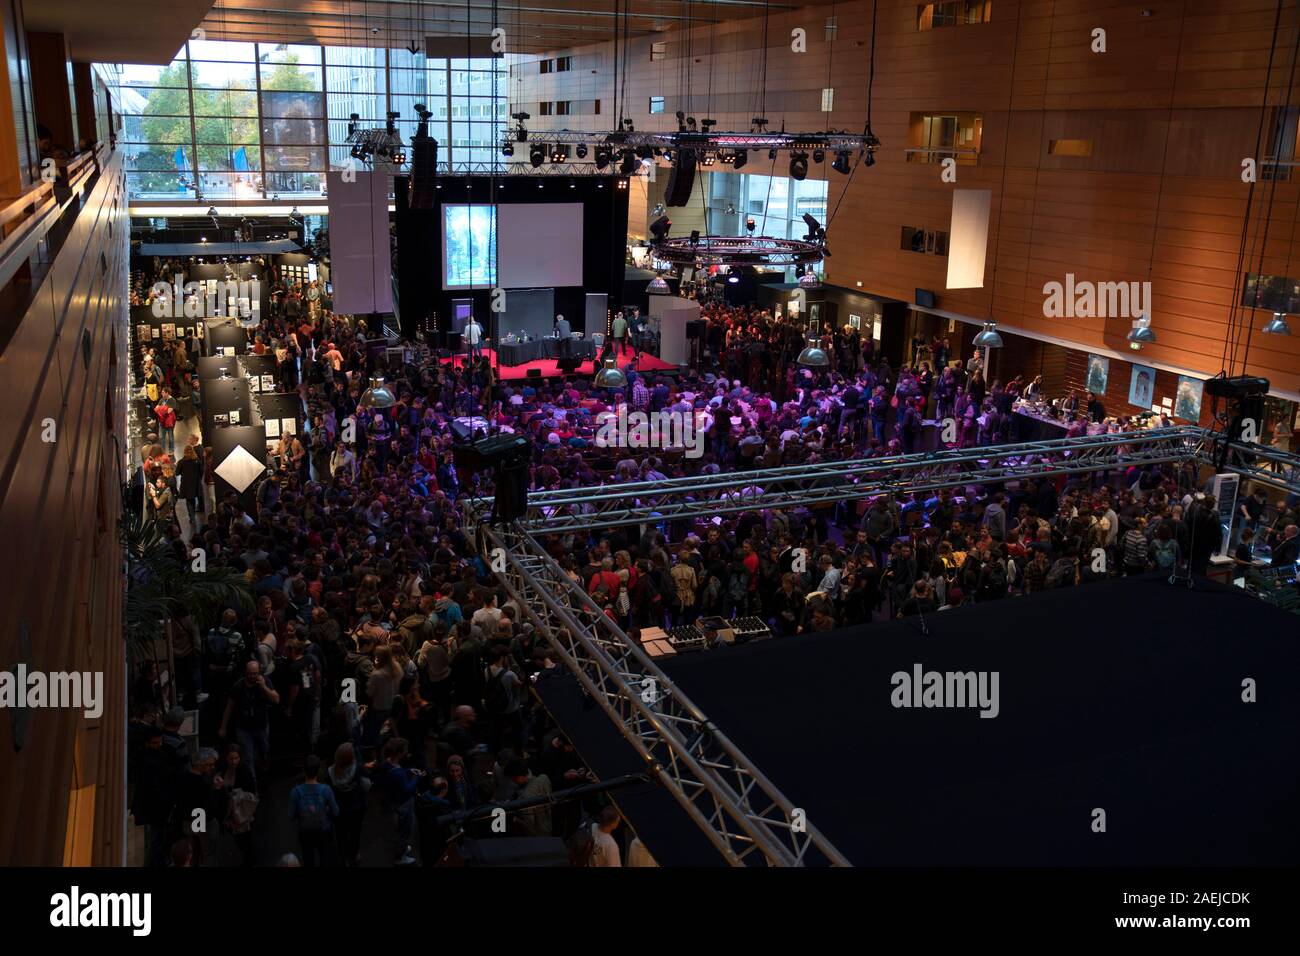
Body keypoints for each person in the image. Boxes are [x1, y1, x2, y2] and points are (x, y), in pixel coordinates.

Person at [219, 660, 279, 783]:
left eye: (255, 673)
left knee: (265, 750)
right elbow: (229, 707)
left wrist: (263, 687)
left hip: (261, 726)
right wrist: (223, 727)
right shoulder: (238, 686)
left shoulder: (265, 681)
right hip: (244, 728)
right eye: (250, 673)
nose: (252, 676)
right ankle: (252, 782)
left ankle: (264, 770)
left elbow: (276, 699)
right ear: (245, 673)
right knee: (247, 757)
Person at [289, 755, 339, 867]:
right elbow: (336, 812)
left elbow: (291, 815)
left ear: (303, 770)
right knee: (324, 858)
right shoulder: (326, 790)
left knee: (308, 859)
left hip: (305, 831)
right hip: (324, 830)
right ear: (318, 770)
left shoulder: (295, 792)